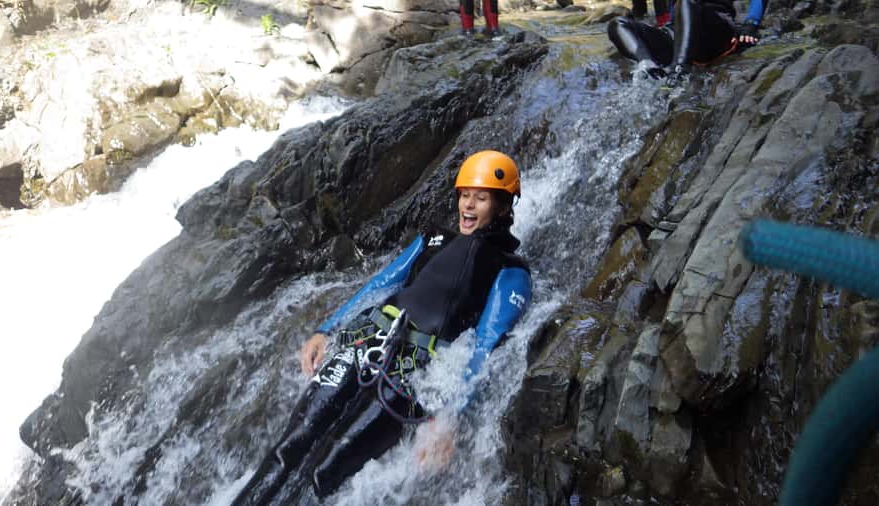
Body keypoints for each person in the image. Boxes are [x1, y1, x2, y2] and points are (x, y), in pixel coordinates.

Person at [232, 150, 533, 504]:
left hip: (408, 376)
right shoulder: (433, 239)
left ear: (501, 206)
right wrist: (326, 330)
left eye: (480, 198)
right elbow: (380, 284)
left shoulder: (511, 271)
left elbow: (485, 346)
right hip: (364, 343)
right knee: (288, 449)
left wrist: (450, 415)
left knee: (325, 474)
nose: (468, 205)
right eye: (464, 195)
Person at [608, 0, 769, 79]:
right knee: (617, 24)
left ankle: (678, 70)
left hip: (715, 27)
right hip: (676, 30)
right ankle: (647, 65)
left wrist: (751, 23)